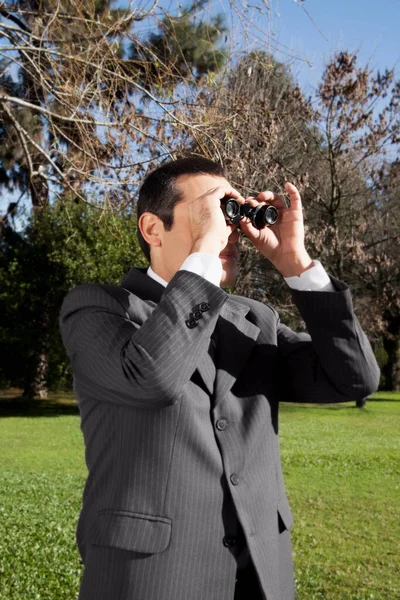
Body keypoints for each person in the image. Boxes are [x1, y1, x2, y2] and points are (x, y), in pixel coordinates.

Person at [60, 157, 379, 600]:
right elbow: (151, 377)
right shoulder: (100, 308)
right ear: (153, 229)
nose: (229, 229)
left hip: (261, 575)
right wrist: (206, 250)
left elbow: (354, 378)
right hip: (152, 578)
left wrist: (297, 265)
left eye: (234, 213)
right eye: (214, 212)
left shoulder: (253, 320)